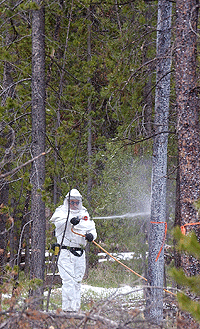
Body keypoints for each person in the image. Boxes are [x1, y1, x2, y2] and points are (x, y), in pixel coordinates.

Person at [50, 188, 97, 312]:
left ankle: (76, 309)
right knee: (68, 281)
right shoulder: (61, 212)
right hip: (65, 252)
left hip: (80, 253)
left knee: (77, 281)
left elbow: (92, 228)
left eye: (77, 202)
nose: (74, 205)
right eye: (72, 202)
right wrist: (70, 221)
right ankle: (67, 309)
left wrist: (91, 236)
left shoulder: (84, 213)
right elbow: (57, 223)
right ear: (67, 202)